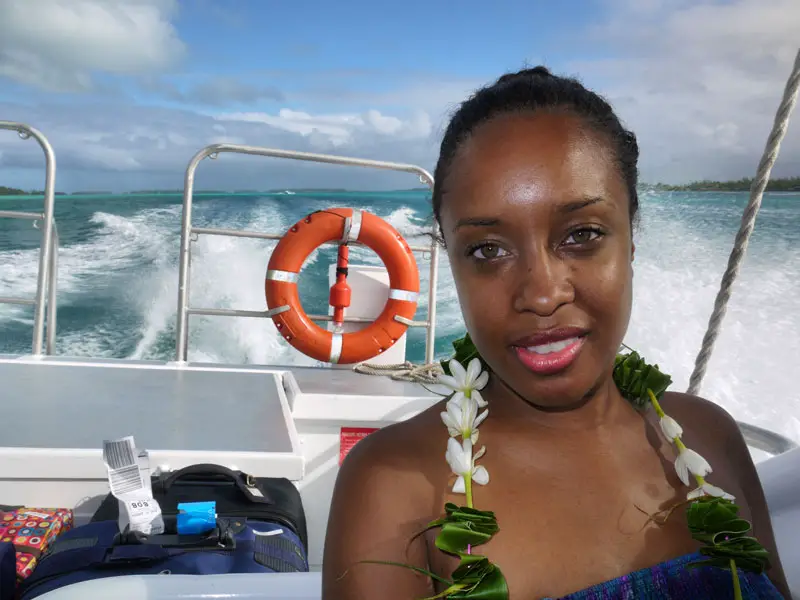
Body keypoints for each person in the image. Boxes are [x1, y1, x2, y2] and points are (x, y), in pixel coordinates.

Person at [321, 66, 790, 599]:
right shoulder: (391, 485)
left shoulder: (710, 436)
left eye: (582, 235)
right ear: (452, 263)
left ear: (630, 241)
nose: (542, 295)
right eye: (487, 250)